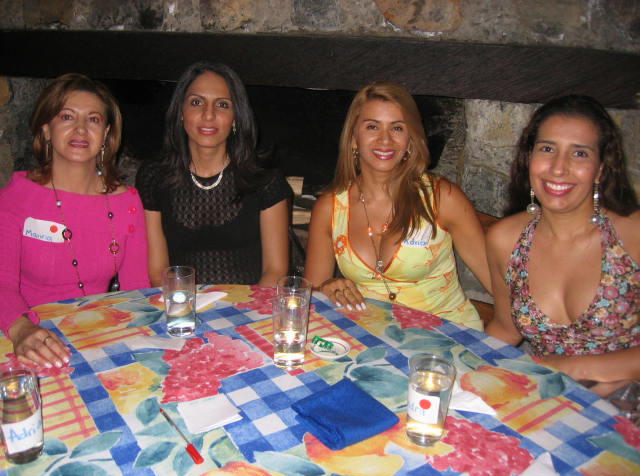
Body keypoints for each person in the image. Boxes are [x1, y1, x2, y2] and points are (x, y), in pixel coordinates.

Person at [485, 95, 639, 397]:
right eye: (547, 149)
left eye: (579, 153)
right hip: (553, 403)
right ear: (529, 157)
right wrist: (464, 369)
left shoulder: (632, 234)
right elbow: (505, 329)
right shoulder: (505, 239)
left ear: (600, 168)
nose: (558, 168)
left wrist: (573, 368)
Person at [305, 81, 491, 330]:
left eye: (397, 128)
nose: (385, 140)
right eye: (372, 126)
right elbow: (311, 297)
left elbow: (499, 287)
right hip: (373, 338)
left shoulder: (443, 198)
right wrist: (327, 287)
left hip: (449, 336)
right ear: (353, 139)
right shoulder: (329, 207)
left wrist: (498, 342)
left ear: (410, 140)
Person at [0, 73, 150, 368]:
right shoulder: (17, 197)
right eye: (67, 117)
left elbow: (136, 291)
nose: (81, 129)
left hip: (98, 338)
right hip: (26, 337)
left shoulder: (127, 202)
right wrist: (22, 329)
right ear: (47, 129)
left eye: (93, 119)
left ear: (106, 134)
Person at [136, 61, 291, 287]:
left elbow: (275, 270)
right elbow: (158, 271)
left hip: (250, 303)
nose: (208, 115)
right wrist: (182, 305)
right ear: (181, 112)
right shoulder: (154, 176)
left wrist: (247, 307)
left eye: (222, 105)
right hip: (180, 302)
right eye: (196, 102)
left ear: (236, 116)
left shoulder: (265, 178)